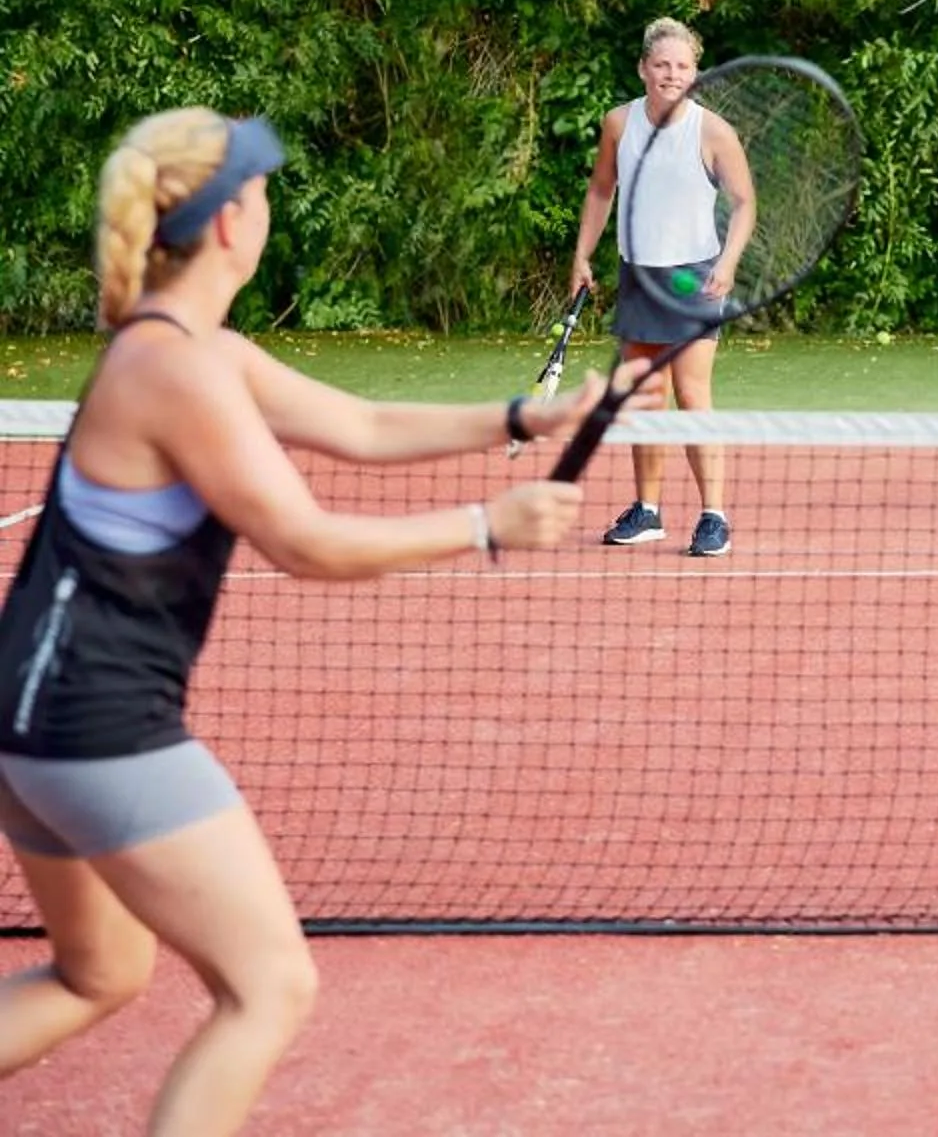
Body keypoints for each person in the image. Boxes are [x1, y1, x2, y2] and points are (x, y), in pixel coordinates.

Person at [0, 109, 650, 1137]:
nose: (267, 207)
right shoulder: (180, 370)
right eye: (259, 191)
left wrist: (523, 418)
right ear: (227, 224)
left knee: (98, 971)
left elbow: (360, 424)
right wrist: (486, 526)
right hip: (96, 725)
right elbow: (304, 542)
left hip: (31, 724)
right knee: (270, 985)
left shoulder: (189, 347)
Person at [568, 18, 753, 558]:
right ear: (643, 68)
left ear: (695, 74)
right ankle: (647, 510)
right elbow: (602, 190)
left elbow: (744, 203)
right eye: (662, 65)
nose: (672, 74)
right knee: (647, 396)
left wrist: (730, 261)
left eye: (683, 66)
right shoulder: (619, 124)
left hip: (692, 276)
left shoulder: (712, 131)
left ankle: (713, 516)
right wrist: (582, 254)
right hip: (638, 273)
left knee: (693, 395)